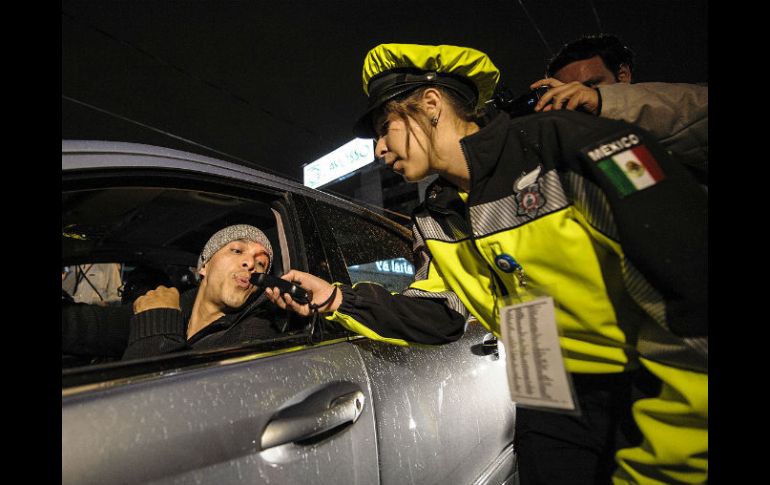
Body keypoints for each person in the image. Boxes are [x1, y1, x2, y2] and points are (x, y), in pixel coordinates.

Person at [264, 44, 707, 484]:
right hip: (545, 394)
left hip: (648, 385)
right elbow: (441, 312)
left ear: (431, 104)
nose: (379, 149)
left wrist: (676, 457)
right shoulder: (435, 215)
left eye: (384, 128)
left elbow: (689, 292)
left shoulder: (566, 145)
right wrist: (336, 299)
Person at [62, 224, 285, 360]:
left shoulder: (254, 336)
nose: (250, 263)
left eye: (261, 264)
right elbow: (86, 325)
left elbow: (162, 405)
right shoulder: (172, 303)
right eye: (237, 250)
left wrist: (158, 320)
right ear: (204, 266)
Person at [527, 34, 708, 185]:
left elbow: (698, 114)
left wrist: (601, 100)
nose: (577, 96)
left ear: (623, 75)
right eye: (565, 93)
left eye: (590, 85)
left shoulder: (676, 103)